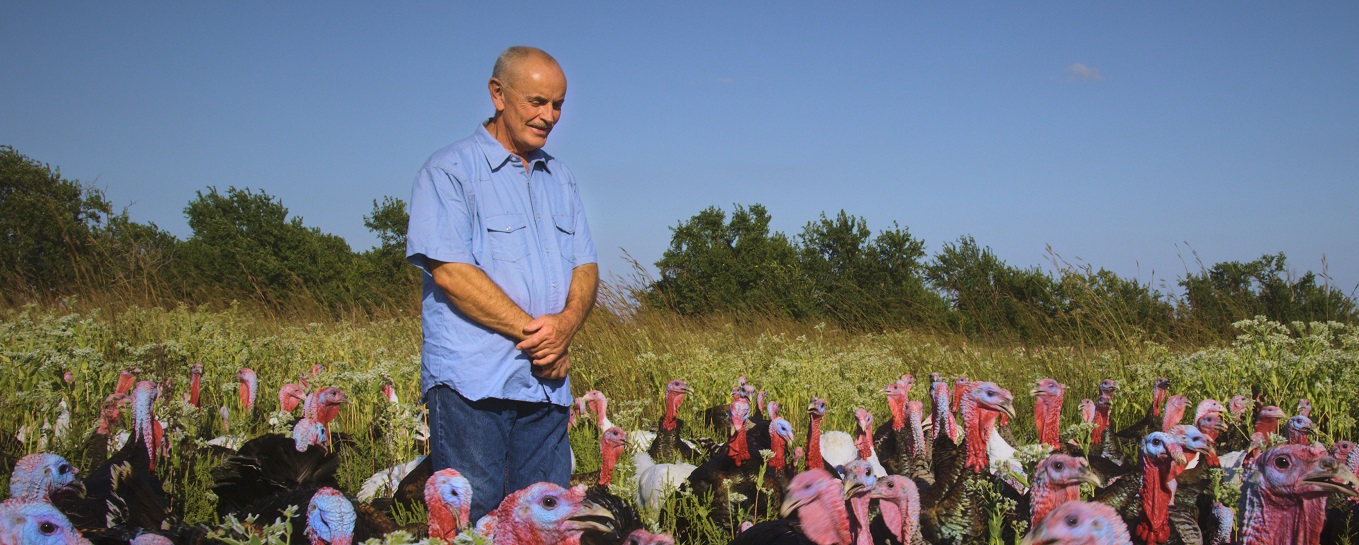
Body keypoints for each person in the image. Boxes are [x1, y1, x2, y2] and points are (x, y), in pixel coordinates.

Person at [405, 46, 597, 521]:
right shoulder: (450, 171)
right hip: (474, 386)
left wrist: (567, 324)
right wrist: (542, 335)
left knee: (542, 520)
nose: (548, 116)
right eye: (536, 101)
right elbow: (452, 272)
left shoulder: (562, 179)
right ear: (498, 94)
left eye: (557, 105)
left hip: (545, 385)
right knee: (476, 517)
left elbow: (586, 266)